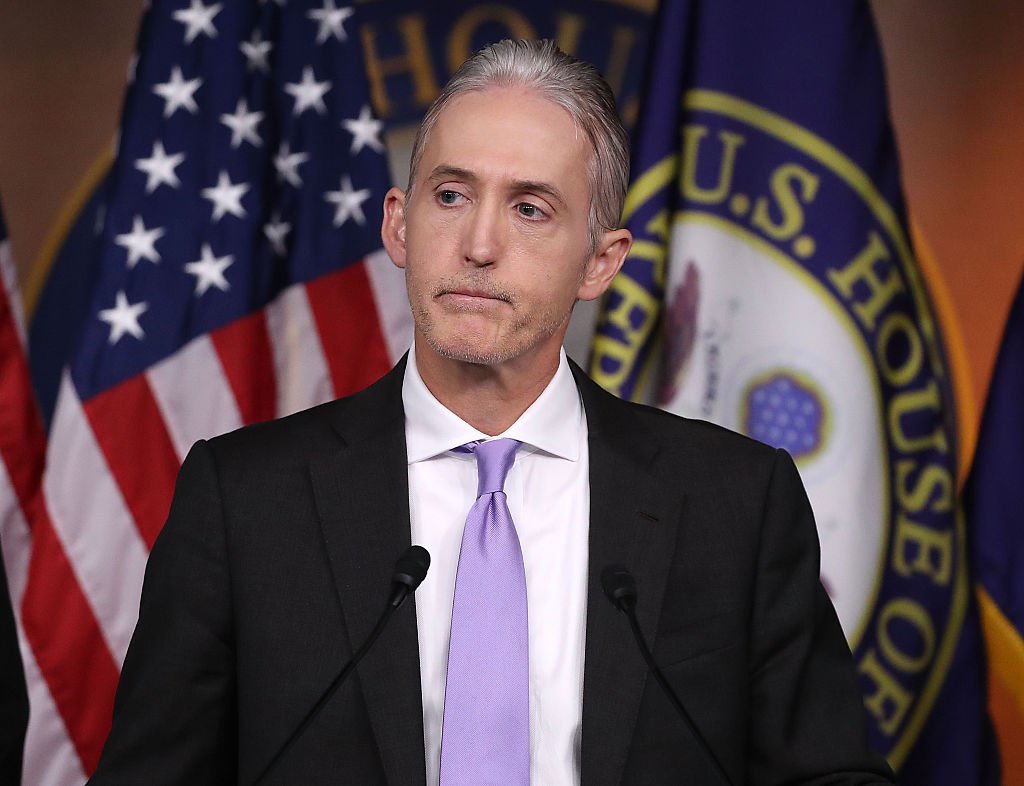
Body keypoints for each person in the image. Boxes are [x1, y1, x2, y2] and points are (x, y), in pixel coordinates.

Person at [89, 40, 895, 785]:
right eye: (451, 195)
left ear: (601, 260)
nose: (478, 243)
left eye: (531, 208)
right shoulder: (243, 499)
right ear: (399, 225)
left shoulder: (736, 504)